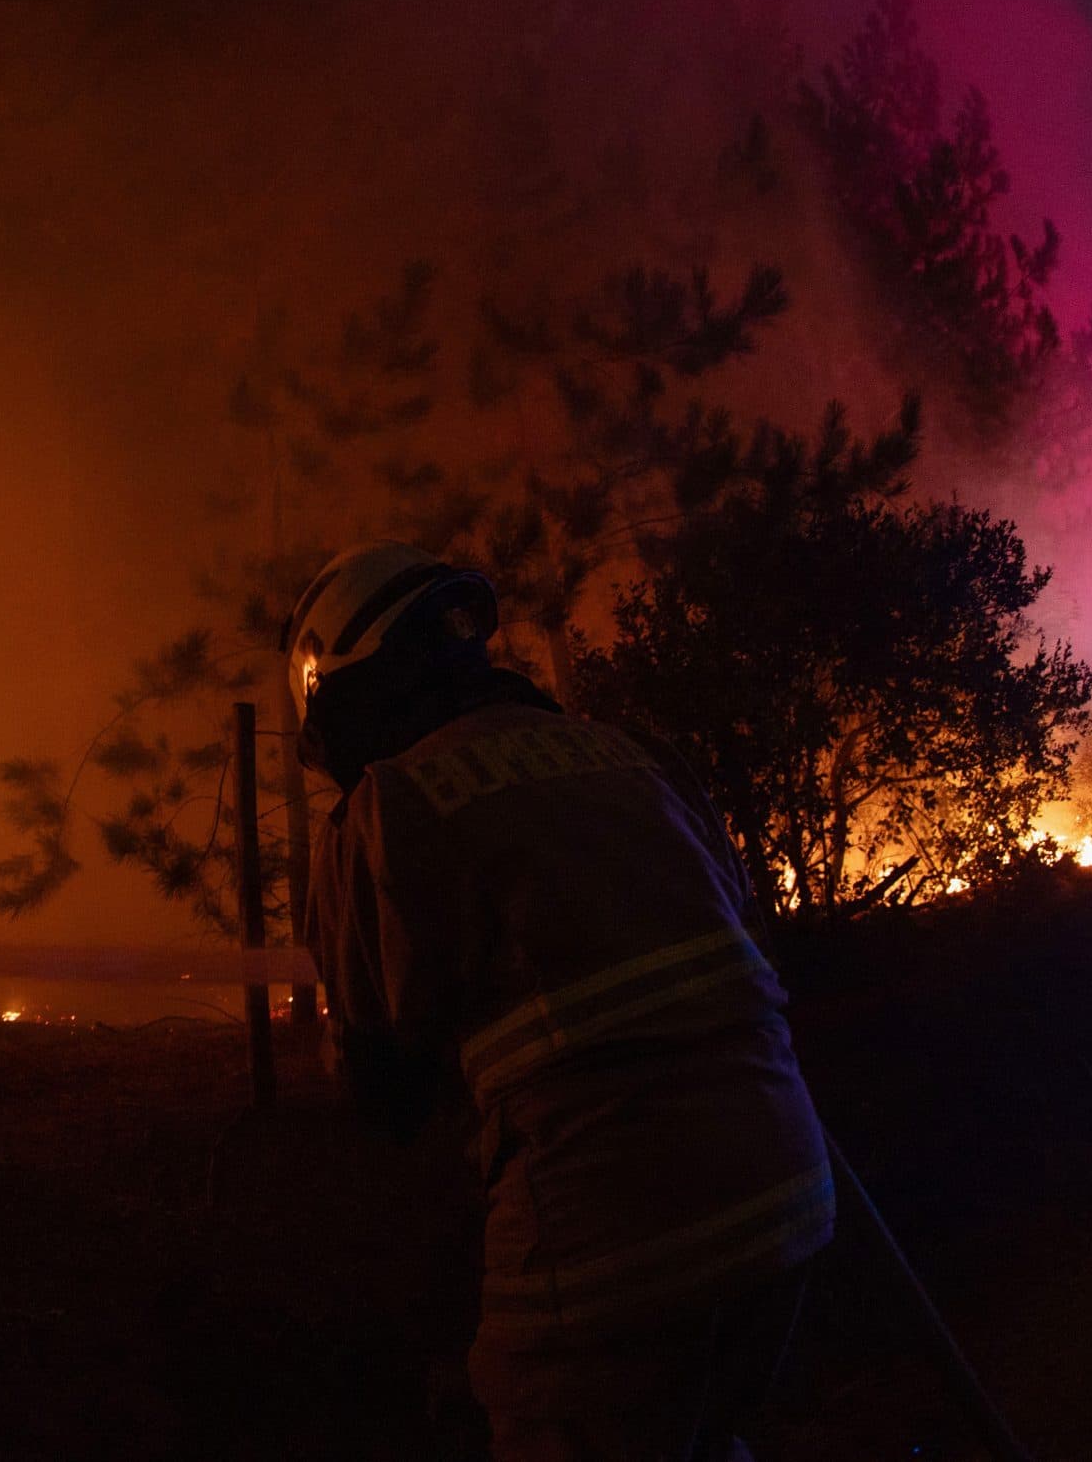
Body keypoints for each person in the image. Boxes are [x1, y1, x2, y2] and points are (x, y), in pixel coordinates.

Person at [286, 540, 833, 1462]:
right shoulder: (633, 755)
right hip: (791, 1194)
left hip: (604, 1246)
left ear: (344, 692)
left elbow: (385, 1098)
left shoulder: (386, 807)